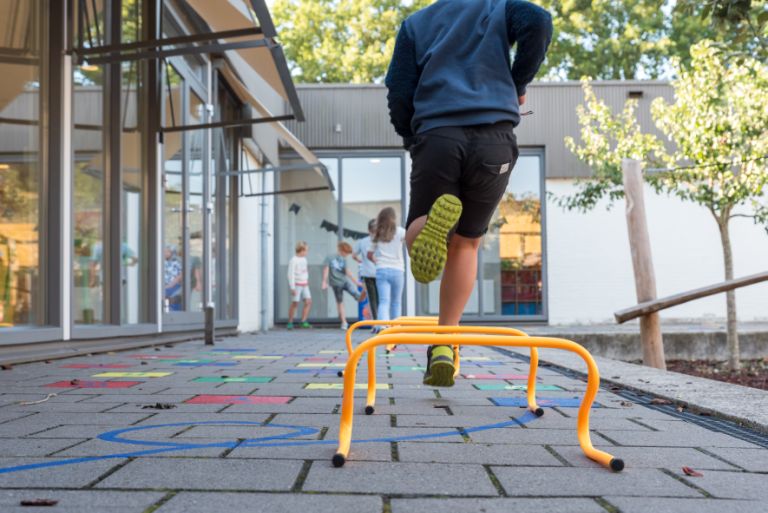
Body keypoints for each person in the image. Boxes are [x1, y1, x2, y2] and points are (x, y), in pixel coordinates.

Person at [385, 0, 552, 386]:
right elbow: (539, 21)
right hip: (494, 140)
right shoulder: (499, 7)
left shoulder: (417, 24)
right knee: (468, 243)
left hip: (438, 136)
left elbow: (398, 89)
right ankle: (445, 342)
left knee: (419, 228)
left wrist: (411, 137)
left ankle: (428, 227)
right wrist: (517, 84)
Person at [369, 208, 406, 330]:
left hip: (382, 269)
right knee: (396, 302)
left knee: (384, 301)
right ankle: (396, 328)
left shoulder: (377, 233)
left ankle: (382, 326)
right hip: (398, 270)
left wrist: (377, 262)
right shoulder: (401, 232)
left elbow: (369, 254)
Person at [322, 241, 367, 330]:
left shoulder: (343, 259)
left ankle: (365, 291)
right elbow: (326, 270)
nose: (346, 255)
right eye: (346, 253)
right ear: (341, 250)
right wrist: (324, 281)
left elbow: (347, 271)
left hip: (345, 281)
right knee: (340, 302)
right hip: (336, 283)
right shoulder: (330, 257)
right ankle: (344, 322)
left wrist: (356, 282)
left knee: (358, 296)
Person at [353, 219, 379, 321]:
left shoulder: (362, 241)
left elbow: (354, 255)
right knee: (382, 299)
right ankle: (383, 322)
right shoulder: (382, 240)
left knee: (372, 299)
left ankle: (376, 323)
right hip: (380, 273)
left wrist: (360, 261)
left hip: (367, 273)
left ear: (368, 230)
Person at [287, 241, 312, 329]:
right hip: (297, 284)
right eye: (306, 250)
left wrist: (306, 280)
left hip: (305, 284)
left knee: (308, 301)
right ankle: (290, 322)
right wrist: (292, 287)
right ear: (301, 250)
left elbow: (305, 271)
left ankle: (303, 321)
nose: (307, 252)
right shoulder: (293, 260)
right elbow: (290, 274)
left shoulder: (304, 259)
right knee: (295, 303)